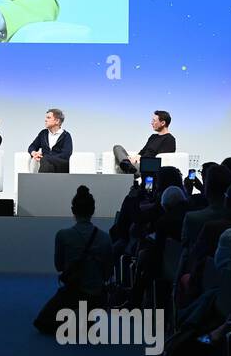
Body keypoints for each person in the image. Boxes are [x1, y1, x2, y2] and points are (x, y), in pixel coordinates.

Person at [34, 186, 111, 334]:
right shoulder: (105, 238)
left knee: (43, 323)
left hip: (72, 293)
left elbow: (59, 266)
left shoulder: (63, 235)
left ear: (73, 210)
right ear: (93, 210)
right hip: (96, 296)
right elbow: (107, 274)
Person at [113, 110, 176, 175]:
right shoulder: (153, 137)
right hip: (137, 164)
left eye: (154, 121)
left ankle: (126, 167)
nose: (151, 123)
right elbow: (142, 151)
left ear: (163, 123)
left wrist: (140, 160)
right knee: (117, 147)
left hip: (148, 167)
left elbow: (160, 160)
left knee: (120, 168)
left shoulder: (169, 139)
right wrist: (136, 158)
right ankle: (127, 164)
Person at [26, 108, 73, 174]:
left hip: (60, 165)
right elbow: (32, 146)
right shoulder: (43, 133)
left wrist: (47, 158)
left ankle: (41, 182)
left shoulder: (66, 135)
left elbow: (66, 154)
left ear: (57, 121)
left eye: (48, 118)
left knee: (46, 160)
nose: (45, 120)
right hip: (45, 164)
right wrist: (34, 153)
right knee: (43, 162)